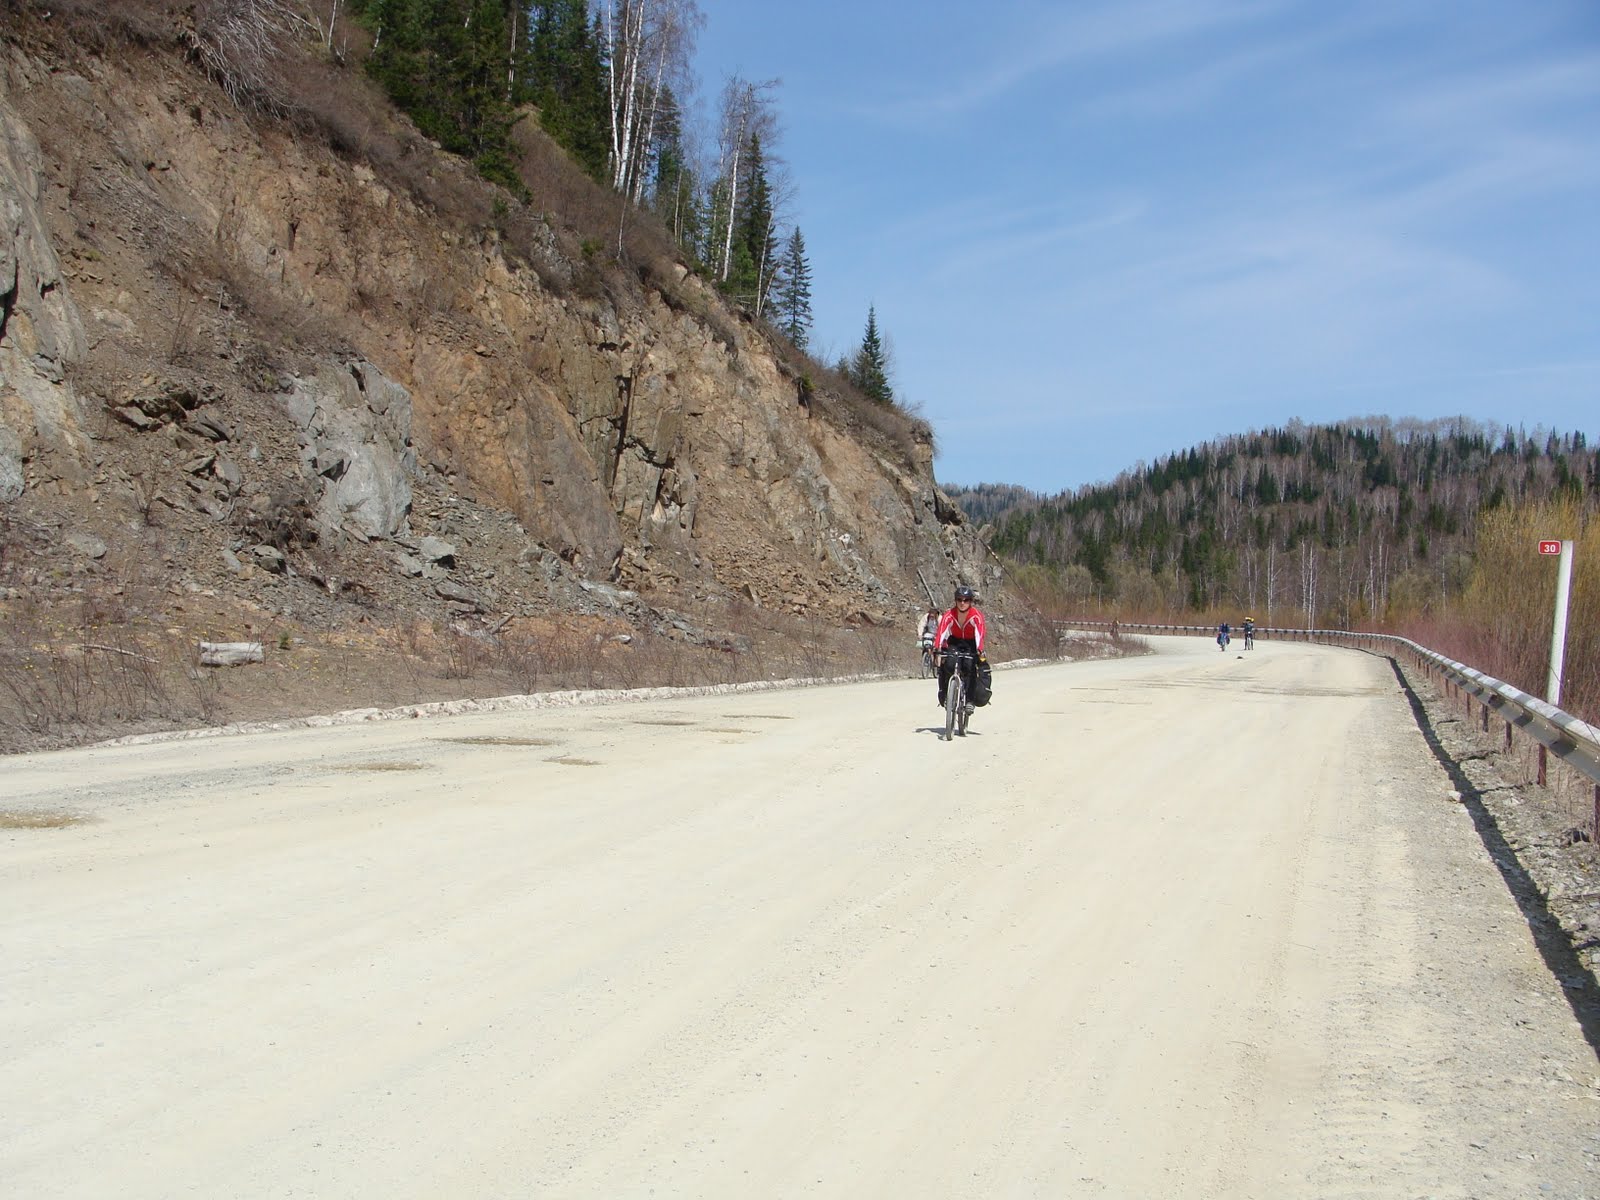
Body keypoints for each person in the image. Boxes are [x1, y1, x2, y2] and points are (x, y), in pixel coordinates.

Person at [934, 585, 987, 708]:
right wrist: (937, 647)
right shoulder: (949, 614)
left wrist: (979, 649)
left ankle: (969, 700)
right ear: (955, 600)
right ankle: (947, 695)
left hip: (971, 643)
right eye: (959, 600)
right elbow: (941, 631)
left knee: (970, 667)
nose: (962, 603)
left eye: (966, 600)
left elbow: (979, 633)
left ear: (970, 601)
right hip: (955, 642)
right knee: (949, 665)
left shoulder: (976, 615)